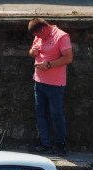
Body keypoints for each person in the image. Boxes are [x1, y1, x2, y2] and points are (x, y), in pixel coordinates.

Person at [28, 17, 73, 156]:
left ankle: (60, 144)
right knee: (41, 114)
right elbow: (32, 51)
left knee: (56, 115)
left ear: (43, 29)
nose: (37, 38)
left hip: (55, 84)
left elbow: (68, 58)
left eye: (37, 35)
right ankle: (45, 143)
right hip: (39, 81)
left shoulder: (61, 36)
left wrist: (48, 65)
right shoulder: (40, 36)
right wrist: (32, 52)